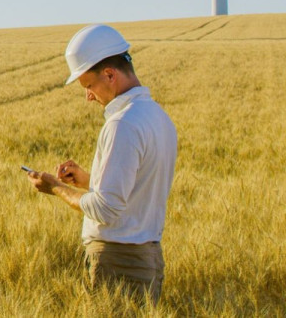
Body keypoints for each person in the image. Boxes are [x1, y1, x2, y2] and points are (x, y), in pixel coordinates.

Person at [27, 24, 177, 305]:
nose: (88, 96)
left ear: (109, 74)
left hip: (118, 262)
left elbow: (105, 210)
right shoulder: (158, 116)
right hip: (148, 258)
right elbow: (138, 186)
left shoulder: (122, 124)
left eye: (88, 86)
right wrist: (88, 180)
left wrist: (55, 187)